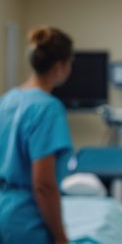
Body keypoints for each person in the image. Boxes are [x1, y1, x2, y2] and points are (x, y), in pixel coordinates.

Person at [0, 26, 74, 244]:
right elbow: (43, 185)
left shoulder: (7, 100)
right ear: (60, 66)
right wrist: (61, 237)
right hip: (26, 220)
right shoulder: (48, 109)